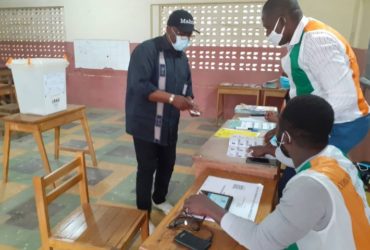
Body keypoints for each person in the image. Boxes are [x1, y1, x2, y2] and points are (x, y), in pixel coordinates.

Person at [184, 95, 370, 250]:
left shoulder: (309, 186)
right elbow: (299, 161)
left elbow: (261, 241)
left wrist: (210, 207)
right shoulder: (336, 156)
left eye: (278, 125)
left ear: (285, 137)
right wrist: (270, 151)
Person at [249, 0, 370, 196]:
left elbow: (341, 99)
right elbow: (303, 93)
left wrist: (292, 131)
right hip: (326, 118)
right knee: (294, 167)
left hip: (342, 122)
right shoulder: (299, 38)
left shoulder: (316, 41)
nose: (267, 34)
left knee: (303, 177)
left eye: (268, 27)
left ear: (283, 21)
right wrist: (284, 127)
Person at [125, 9, 200, 225]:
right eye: (182, 33)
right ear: (169, 29)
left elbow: (186, 87)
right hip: (145, 123)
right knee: (147, 167)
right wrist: (171, 99)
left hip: (168, 123)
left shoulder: (181, 57)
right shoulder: (146, 51)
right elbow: (139, 87)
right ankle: (142, 214)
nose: (186, 38)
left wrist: (190, 102)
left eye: (189, 35)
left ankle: (159, 198)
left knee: (168, 163)